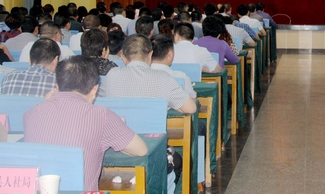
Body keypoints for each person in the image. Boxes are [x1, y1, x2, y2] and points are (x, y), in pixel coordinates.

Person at [24, 56, 147, 190]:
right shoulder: (101, 115)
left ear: (57, 87)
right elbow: (141, 150)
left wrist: (44, 103)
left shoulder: (30, 115)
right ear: (94, 90)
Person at [99, 34, 197, 115]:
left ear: (123, 57)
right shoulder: (163, 78)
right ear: (150, 55)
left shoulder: (112, 74)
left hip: (118, 131)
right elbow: (191, 108)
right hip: (152, 132)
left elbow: (99, 102)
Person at [150, 34, 197, 100]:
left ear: (149, 54)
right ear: (170, 54)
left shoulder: (138, 76)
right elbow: (192, 99)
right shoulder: (181, 77)